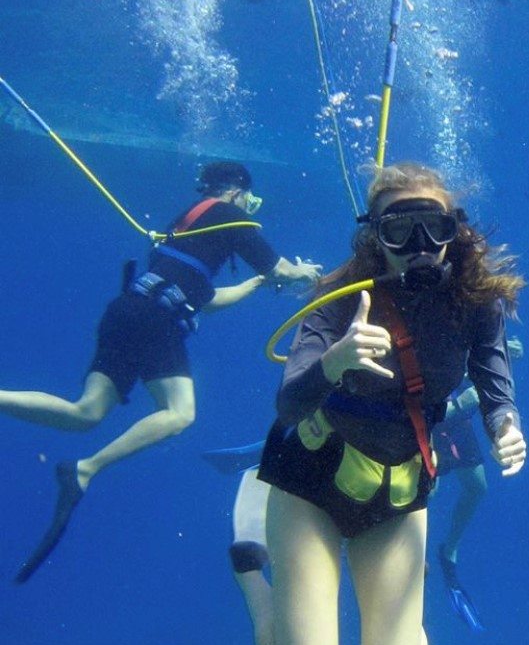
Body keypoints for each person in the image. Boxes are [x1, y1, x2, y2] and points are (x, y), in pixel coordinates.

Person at [231, 161, 527, 645]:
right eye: (399, 230)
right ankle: (250, 566)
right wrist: (335, 360)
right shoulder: (343, 295)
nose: (420, 245)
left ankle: (393, 616)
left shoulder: (476, 301)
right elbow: (290, 403)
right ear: (375, 237)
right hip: (309, 482)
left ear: (454, 231)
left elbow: (493, 380)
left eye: (433, 228)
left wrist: (505, 424)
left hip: (399, 489)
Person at [1, 160, 322, 582]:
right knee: (180, 413)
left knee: (86, 413)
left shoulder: (186, 225)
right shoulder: (232, 215)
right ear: (238, 192)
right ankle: (84, 470)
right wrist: (305, 273)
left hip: (128, 310)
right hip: (156, 319)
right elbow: (279, 267)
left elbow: (204, 298)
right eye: (252, 200)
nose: (251, 207)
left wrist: (255, 286)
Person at [431, 334, 524, 630]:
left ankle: (449, 550)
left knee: (476, 485)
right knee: (424, 491)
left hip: (456, 417)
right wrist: (460, 405)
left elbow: (468, 353)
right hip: (430, 419)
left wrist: (499, 353)